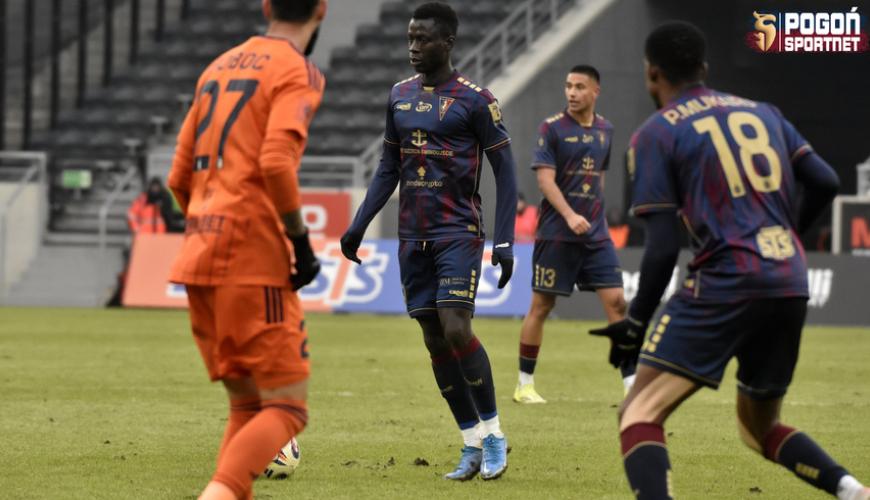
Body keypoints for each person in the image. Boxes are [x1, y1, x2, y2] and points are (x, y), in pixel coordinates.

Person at [589, 21, 869, 500]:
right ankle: (854, 492)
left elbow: (663, 246)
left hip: (726, 280)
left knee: (638, 412)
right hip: (788, 278)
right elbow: (824, 181)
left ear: (652, 73)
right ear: (704, 67)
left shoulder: (656, 132)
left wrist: (635, 322)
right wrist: (784, 236)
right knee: (759, 427)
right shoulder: (764, 112)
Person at [339, 2, 517, 481]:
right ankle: (471, 441)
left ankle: (495, 434)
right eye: (410, 39)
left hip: (458, 231)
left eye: (423, 39)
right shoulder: (399, 96)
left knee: (457, 328)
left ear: (448, 43)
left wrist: (505, 241)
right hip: (411, 235)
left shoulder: (476, 100)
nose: (414, 48)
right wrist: (359, 223)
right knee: (434, 339)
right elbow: (388, 167)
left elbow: (505, 169)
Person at [166, 1, 326, 498]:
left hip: (199, 254)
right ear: (322, 9)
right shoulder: (296, 70)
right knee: (288, 408)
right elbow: (276, 161)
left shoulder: (218, 66)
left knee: (247, 405)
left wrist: (208, 224)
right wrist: (300, 243)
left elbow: (178, 177)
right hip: (252, 257)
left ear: (266, 5)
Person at [514, 65, 633, 405]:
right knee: (542, 305)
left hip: (595, 234)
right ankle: (524, 384)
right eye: (568, 86)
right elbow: (544, 180)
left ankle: (632, 387)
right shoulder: (551, 128)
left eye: (580, 87)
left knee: (618, 303)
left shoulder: (606, 130)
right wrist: (569, 215)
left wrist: (595, 216)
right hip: (557, 232)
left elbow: (599, 179)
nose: (572, 92)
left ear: (596, 91)